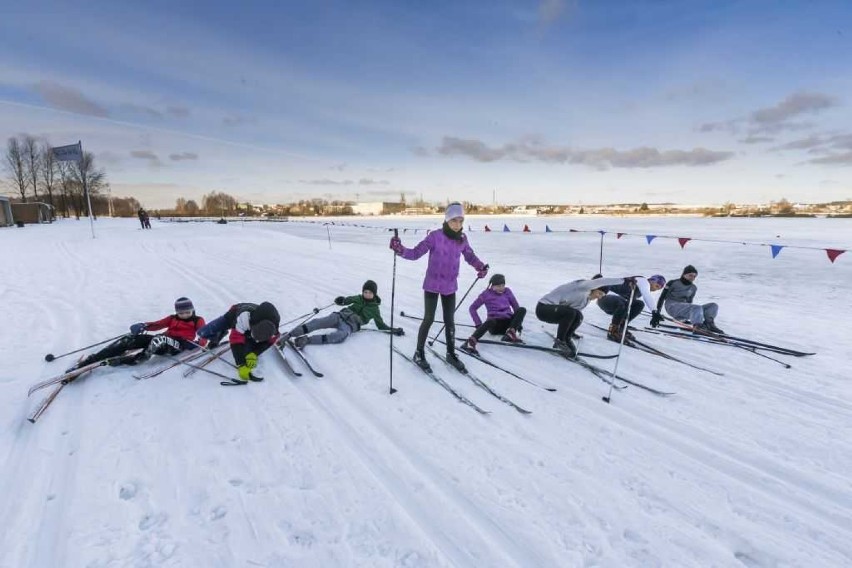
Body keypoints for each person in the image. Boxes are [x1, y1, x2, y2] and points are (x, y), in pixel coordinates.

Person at [389, 202, 488, 372]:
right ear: (447, 220)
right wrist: (400, 249)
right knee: (429, 318)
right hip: (432, 285)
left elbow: (470, 256)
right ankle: (419, 353)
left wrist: (479, 266)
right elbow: (415, 253)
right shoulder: (435, 236)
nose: (458, 224)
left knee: (450, 321)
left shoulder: (462, 239)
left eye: (461, 221)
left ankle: (450, 353)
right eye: (454, 220)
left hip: (450, 286)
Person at [68, 297, 206, 371]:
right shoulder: (172, 318)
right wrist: (143, 325)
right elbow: (157, 325)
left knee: (159, 339)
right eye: (181, 313)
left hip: (180, 345)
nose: (184, 315)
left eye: (187, 312)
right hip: (161, 340)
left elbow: (204, 335)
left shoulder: (198, 320)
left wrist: (200, 343)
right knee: (130, 338)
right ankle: (94, 358)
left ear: (192, 310)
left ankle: (137, 359)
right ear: (177, 312)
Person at [282, 280, 404, 347]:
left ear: (374, 294)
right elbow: (345, 301)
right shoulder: (358, 298)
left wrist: (394, 330)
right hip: (340, 316)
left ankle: (307, 340)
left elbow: (381, 326)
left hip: (350, 326)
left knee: (340, 336)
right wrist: (340, 300)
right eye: (365, 292)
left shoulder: (375, 309)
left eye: (370, 292)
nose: (367, 294)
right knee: (318, 322)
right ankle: (290, 334)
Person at [536, 275, 627, 357]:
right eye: (599, 293)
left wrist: (570, 331)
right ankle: (560, 341)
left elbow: (572, 316)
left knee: (578, 315)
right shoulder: (583, 286)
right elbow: (600, 281)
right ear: (594, 288)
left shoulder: (586, 299)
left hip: (555, 311)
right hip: (543, 308)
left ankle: (566, 339)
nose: (599, 297)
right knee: (571, 313)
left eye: (602, 296)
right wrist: (624, 280)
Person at [198, 301, 281, 384]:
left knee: (246, 352)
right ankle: (220, 333)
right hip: (232, 317)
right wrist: (241, 364)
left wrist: (255, 353)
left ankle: (248, 339)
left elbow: (269, 342)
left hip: (249, 329)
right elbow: (235, 340)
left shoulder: (274, 331)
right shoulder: (244, 317)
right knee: (202, 333)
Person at [461, 273, 526, 355]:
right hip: (495, 324)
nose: (501, 288)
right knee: (490, 321)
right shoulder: (486, 294)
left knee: (522, 310)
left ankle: (510, 334)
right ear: (492, 285)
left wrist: (517, 325)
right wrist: (478, 324)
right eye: (498, 286)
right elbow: (472, 308)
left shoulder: (507, 291)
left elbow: (516, 307)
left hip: (508, 325)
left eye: (503, 285)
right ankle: (470, 342)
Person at [650, 265, 724, 333]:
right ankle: (698, 326)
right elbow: (662, 297)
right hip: (672, 306)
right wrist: (657, 313)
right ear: (684, 274)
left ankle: (709, 324)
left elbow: (689, 303)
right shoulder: (673, 283)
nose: (692, 278)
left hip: (684, 307)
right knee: (696, 307)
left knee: (713, 306)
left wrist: (683, 318)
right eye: (690, 275)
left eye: (694, 276)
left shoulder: (693, 288)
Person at [597, 274, 666, 342]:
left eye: (658, 289)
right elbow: (647, 296)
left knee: (639, 304)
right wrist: (654, 311)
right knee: (623, 303)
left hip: (616, 303)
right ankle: (613, 331)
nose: (655, 289)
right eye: (656, 286)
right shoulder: (643, 281)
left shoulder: (641, 287)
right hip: (605, 298)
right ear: (651, 280)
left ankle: (621, 327)